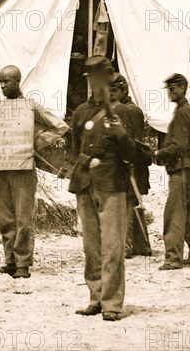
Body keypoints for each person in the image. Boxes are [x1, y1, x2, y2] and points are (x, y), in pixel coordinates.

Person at [70, 56, 137, 322]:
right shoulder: (80, 112)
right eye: (91, 78)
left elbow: (134, 154)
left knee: (112, 247)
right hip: (86, 183)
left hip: (112, 183)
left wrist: (120, 134)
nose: (95, 84)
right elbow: (75, 149)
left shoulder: (125, 112)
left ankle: (112, 303)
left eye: (100, 77)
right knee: (91, 247)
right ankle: (95, 297)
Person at [0, 65, 68, 279]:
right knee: (4, 218)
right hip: (0, 169)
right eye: (1, 81)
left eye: (7, 81)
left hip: (23, 169)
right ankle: (10, 262)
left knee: (23, 218)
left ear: (17, 81)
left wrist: (35, 143)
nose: (3, 85)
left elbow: (60, 127)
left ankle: (23, 263)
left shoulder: (31, 107)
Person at [154, 73, 190, 270]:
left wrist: (159, 152)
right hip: (189, 169)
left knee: (174, 214)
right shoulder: (185, 110)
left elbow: (179, 145)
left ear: (183, 88)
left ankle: (173, 258)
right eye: (169, 89)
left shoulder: (183, 112)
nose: (170, 92)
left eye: (173, 88)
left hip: (181, 169)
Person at [110, 73, 152, 258]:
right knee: (132, 203)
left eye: (114, 91)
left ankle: (126, 247)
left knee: (127, 204)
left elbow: (130, 141)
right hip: (131, 163)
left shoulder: (128, 110)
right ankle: (141, 246)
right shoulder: (129, 109)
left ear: (122, 90)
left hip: (131, 164)